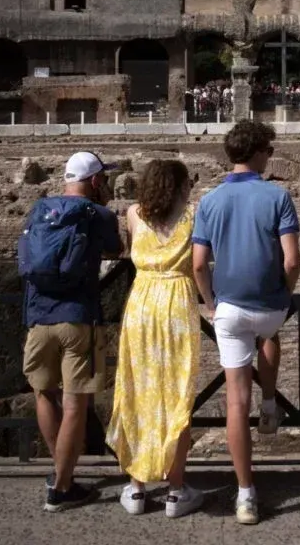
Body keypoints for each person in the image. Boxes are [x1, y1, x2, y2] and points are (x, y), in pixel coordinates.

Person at [192, 121, 300, 525]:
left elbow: (199, 263)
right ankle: (270, 403)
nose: (270, 156)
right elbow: (292, 261)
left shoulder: (209, 200)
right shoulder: (278, 195)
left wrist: (210, 304)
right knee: (271, 334)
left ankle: (245, 494)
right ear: (257, 153)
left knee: (236, 402)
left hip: (228, 308)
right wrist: (286, 296)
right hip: (269, 305)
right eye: (269, 150)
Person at [20, 151, 121, 511]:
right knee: (75, 401)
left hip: (37, 316)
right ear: (95, 181)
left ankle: (61, 473)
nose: (105, 185)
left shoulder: (39, 209)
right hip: (78, 317)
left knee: (43, 394)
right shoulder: (99, 214)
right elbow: (117, 248)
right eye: (103, 180)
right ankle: (62, 487)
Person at [106, 160, 203, 517]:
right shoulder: (194, 215)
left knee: (137, 389)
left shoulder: (133, 214)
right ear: (178, 186)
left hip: (142, 303)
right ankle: (176, 491)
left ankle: (136, 488)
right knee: (177, 394)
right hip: (177, 302)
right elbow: (200, 264)